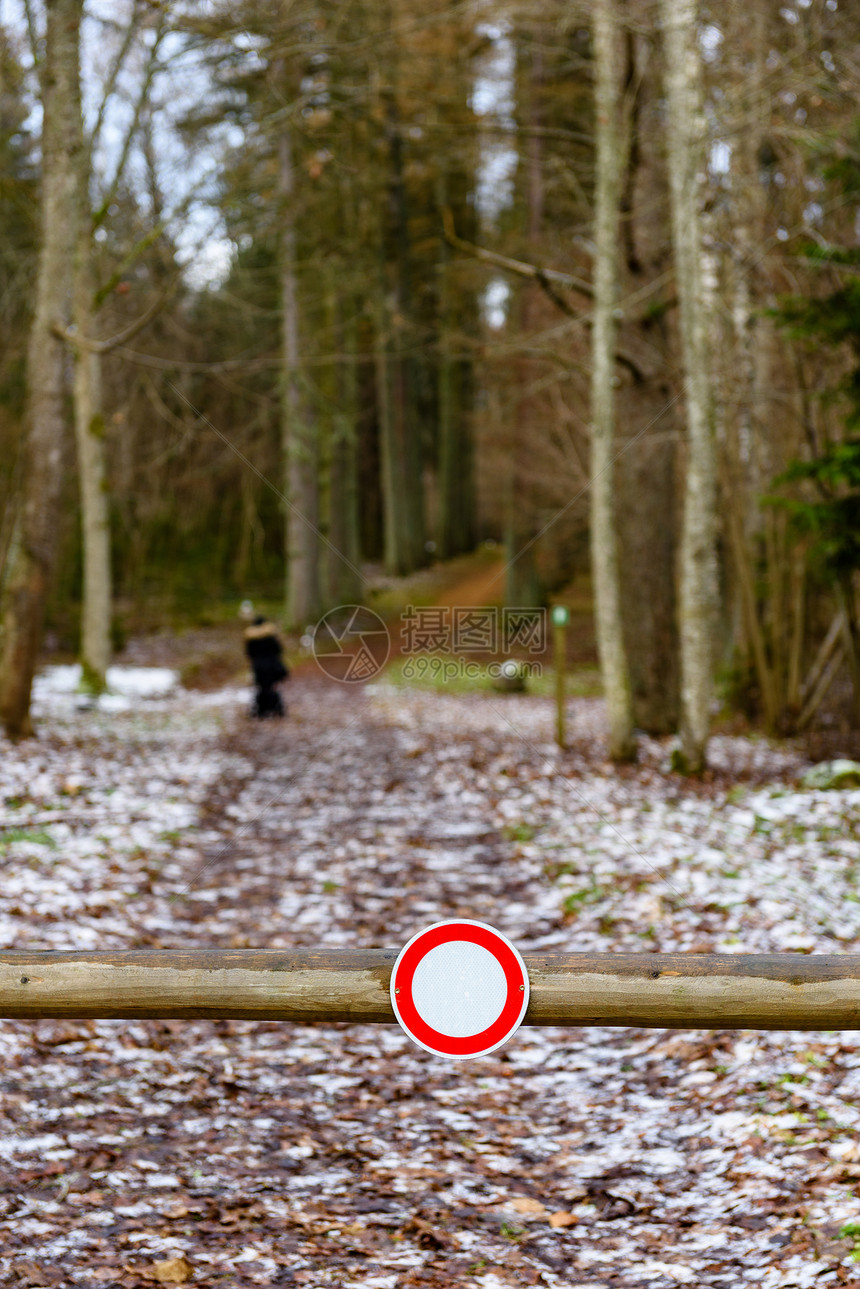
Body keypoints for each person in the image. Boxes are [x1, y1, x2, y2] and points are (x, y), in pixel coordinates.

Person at [240, 605, 289, 718]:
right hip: (271, 666)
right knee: (271, 687)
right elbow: (278, 650)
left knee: (261, 688)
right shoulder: (270, 636)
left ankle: (262, 709)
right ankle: (275, 707)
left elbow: (249, 653)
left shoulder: (251, 639)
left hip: (258, 667)